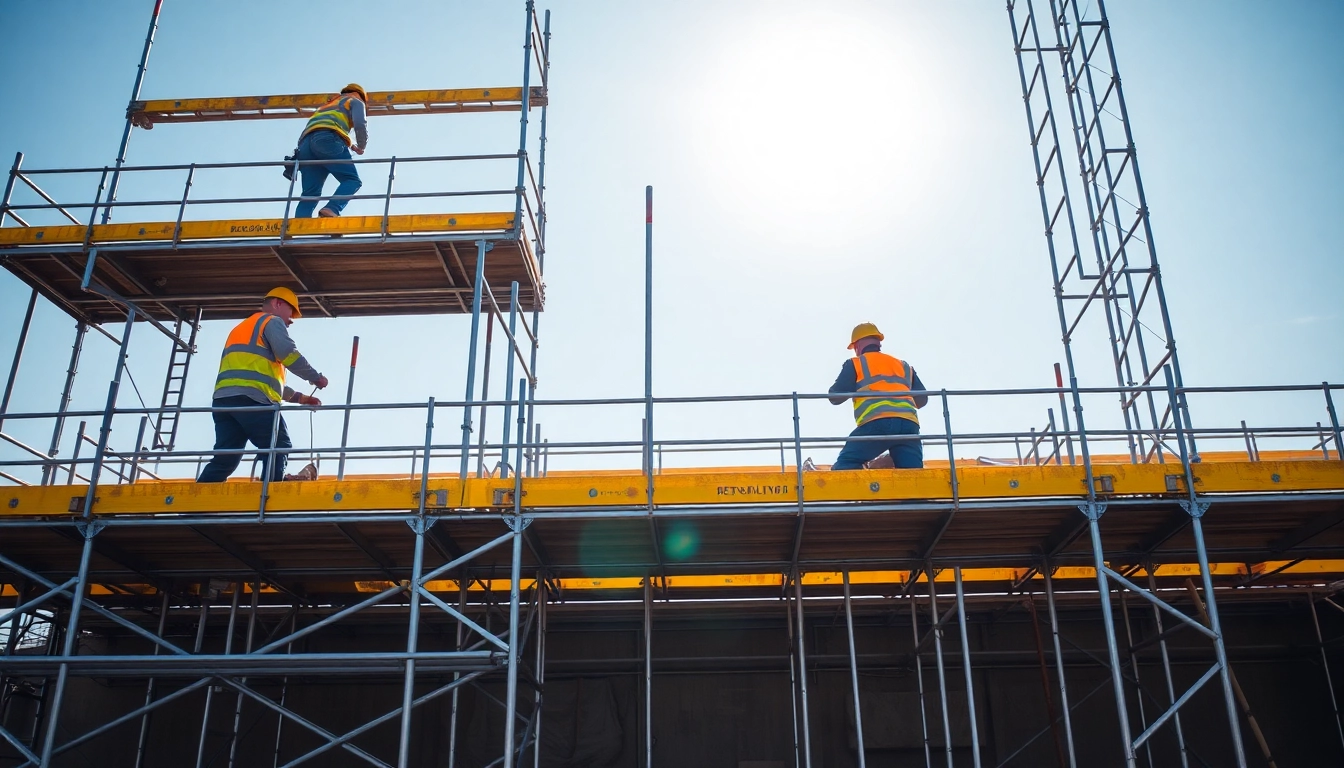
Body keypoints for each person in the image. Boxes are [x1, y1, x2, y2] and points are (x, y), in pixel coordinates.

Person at [197, 288, 329, 483]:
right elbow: (288, 354)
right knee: (278, 445)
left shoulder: (243, 328)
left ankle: (196, 505)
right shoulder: (271, 321)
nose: (290, 321)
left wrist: (301, 398)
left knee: (226, 458)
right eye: (290, 313)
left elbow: (263, 380)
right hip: (252, 400)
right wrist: (315, 377)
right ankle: (270, 493)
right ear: (278, 304)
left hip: (224, 402)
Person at [827, 322, 928, 470]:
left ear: (857, 345)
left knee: (846, 464)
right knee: (913, 475)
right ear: (878, 342)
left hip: (876, 423)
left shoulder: (856, 363)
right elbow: (922, 399)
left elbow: (835, 397)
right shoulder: (903, 365)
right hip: (908, 425)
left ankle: (863, 491)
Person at [293, 83, 369, 219]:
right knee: (352, 180)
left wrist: (350, 144)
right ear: (360, 96)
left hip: (305, 145)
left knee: (310, 193)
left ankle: (299, 222)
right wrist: (361, 146)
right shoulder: (355, 101)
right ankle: (332, 208)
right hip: (328, 138)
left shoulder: (327, 105)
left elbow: (327, 124)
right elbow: (360, 124)